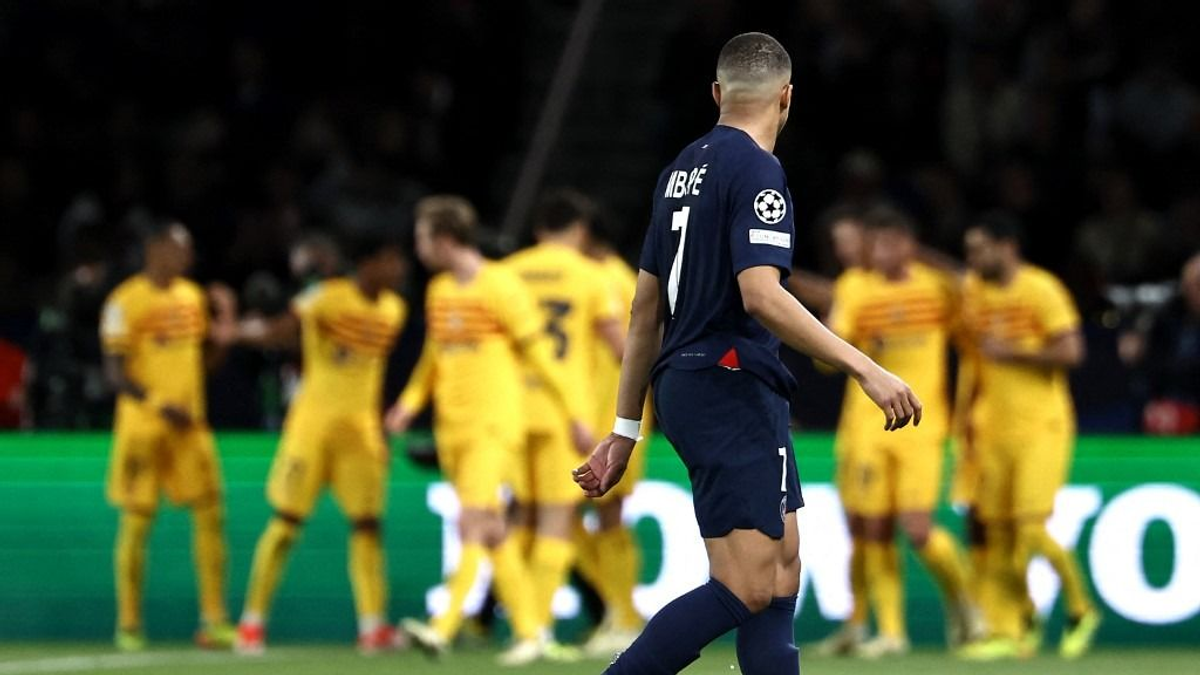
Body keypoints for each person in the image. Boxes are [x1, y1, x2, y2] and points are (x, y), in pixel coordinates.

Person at [572, 33, 922, 675]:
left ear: (717, 93)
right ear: (787, 97)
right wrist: (865, 367)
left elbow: (645, 310)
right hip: (725, 382)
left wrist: (625, 429)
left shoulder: (679, 171)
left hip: (706, 383)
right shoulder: (759, 170)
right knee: (747, 585)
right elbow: (761, 295)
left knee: (782, 574)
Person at [386, 195, 588, 666]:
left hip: (494, 424)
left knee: (472, 521)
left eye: (421, 237)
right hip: (452, 427)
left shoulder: (502, 285)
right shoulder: (440, 291)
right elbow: (434, 357)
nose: (417, 247)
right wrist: (408, 405)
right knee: (493, 529)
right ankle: (531, 631)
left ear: (444, 238)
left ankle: (442, 627)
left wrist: (575, 414)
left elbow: (542, 356)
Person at [232, 231, 407, 655]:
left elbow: (373, 374)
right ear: (367, 263)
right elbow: (281, 330)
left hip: (361, 434)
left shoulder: (394, 309)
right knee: (286, 522)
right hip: (312, 429)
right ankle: (251, 624)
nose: (399, 268)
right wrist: (237, 332)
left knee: (368, 526)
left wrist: (381, 432)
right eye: (390, 259)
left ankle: (372, 626)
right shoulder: (326, 297)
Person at [825, 206, 978, 657]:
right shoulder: (854, 287)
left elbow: (970, 293)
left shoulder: (935, 287)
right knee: (872, 528)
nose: (882, 253)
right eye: (876, 244)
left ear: (911, 245)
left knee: (917, 528)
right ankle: (891, 633)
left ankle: (966, 601)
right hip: (866, 426)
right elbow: (826, 354)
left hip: (923, 426)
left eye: (892, 243)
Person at [957, 213, 1100, 660]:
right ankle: (1013, 625)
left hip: (1041, 427)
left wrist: (1013, 352)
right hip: (993, 428)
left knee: (1030, 528)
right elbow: (945, 274)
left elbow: (1072, 351)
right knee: (998, 532)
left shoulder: (1042, 289)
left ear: (1007, 246)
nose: (972, 258)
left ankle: (1080, 609)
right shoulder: (976, 290)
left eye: (979, 248)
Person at [100, 221, 238, 652]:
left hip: (190, 428)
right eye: (181, 249)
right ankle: (128, 624)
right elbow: (113, 374)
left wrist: (225, 330)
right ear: (155, 249)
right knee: (138, 522)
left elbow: (205, 363)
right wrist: (160, 403)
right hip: (143, 428)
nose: (188, 257)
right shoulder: (124, 300)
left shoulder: (192, 297)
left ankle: (214, 620)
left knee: (211, 515)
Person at [505, 189, 625, 653]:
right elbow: (620, 347)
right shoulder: (591, 276)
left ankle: (521, 628)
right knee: (557, 519)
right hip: (566, 412)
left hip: (513, 408)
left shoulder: (508, 272)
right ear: (580, 230)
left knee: (519, 517)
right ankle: (536, 630)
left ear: (539, 230)